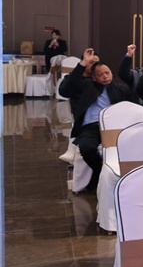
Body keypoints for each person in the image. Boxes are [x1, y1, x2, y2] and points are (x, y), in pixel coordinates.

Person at [58, 46, 137, 192]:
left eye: (107, 73)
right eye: (101, 74)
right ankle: (102, 173)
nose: (105, 76)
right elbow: (65, 90)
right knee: (86, 148)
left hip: (114, 126)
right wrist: (82, 64)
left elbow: (132, 107)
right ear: (94, 76)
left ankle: (111, 178)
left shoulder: (120, 88)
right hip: (91, 127)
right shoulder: (84, 85)